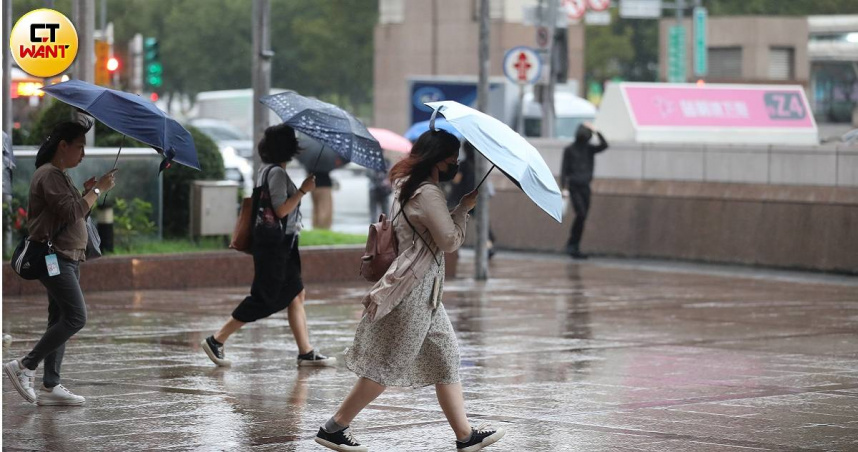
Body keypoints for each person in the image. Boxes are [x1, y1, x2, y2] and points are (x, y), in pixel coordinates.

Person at [315, 129, 505, 452]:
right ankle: (334, 427)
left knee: (446, 357)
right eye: (452, 159)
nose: (455, 165)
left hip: (427, 291)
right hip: (414, 290)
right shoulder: (428, 194)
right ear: (438, 160)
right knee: (388, 364)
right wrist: (463, 209)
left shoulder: (407, 184)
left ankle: (465, 436)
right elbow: (449, 241)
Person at [201, 124, 334, 368]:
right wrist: (303, 190)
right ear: (287, 148)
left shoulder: (267, 170)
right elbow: (281, 210)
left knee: (296, 293)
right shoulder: (276, 174)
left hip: (283, 245)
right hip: (275, 247)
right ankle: (216, 339)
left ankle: (305, 351)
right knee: (264, 298)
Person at [3, 119, 117, 406]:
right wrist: (97, 191)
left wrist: (88, 191)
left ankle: (50, 385)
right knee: (76, 317)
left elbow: (72, 214)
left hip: (67, 256)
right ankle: (25, 365)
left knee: (60, 318)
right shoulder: (49, 175)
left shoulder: (60, 175)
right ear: (63, 146)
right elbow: (71, 212)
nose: (83, 154)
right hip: (53, 257)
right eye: (79, 147)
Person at [560, 123, 608, 259]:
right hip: (574, 187)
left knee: (583, 215)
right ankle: (572, 244)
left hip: (585, 186)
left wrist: (596, 130)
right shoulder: (569, 150)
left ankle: (574, 245)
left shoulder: (589, 149)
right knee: (581, 214)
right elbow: (564, 170)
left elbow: (604, 145)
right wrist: (564, 188)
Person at [447, 141, 496, 258]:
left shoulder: (464, 165)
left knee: (459, 223)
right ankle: (489, 246)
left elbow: (457, 180)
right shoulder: (479, 165)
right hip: (478, 199)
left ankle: (455, 250)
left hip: (464, 200)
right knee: (483, 225)